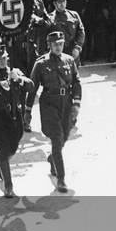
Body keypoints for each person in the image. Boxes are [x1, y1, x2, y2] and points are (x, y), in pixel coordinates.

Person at [0, 43, 34, 198]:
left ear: (7, 58)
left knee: (12, 149)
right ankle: (8, 186)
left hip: (15, 118)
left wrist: (20, 80)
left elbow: (31, 87)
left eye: (4, 58)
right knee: (3, 151)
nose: (2, 61)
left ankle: (1, 165)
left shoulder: (15, 73)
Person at [29, 29, 82, 193]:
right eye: (55, 45)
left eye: (61, 44)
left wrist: (76, 104)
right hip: (49, 103)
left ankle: (53, 158)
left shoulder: (69, 60)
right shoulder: (41, 63)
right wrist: (27, 110)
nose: (58, 47)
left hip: (66, 102)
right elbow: (32, 87)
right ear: (49, 45)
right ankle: (61, 178)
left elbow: (76, 82)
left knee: (64, 136)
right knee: (57, 137)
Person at [45, 0, 85, 64]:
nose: (62, 4)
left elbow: (81, 32)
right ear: (54, 3)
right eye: (60, 2)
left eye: (64, 1)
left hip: (72, 52)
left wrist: (78, 47)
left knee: (74, 74)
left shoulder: (74, 15)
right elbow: (45, 37)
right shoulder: (49, 18)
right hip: (57, 53)